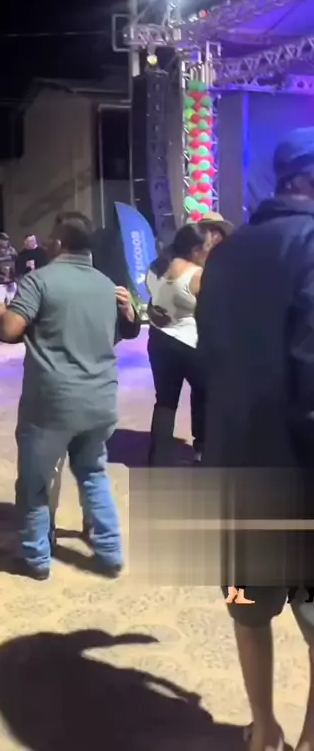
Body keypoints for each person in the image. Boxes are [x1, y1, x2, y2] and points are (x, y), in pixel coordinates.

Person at [196, 129, 314, 751]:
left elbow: (211, 362)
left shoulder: (225, 255)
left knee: (246, 606)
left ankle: (263, 728)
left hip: (235, 475)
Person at [0, 211, 140, 581]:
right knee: (93, 472)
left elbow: (9, 331)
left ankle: (36, 557)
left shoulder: (39, 280)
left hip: (52, 402)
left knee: (35, 481)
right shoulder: (108, 286)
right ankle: (110, 550)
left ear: (59, 243)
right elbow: (115, 335)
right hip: (100, 398)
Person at [146, 223, 214, 466]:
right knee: (205, 394)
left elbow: (153, 303)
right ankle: (202, 451)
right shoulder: (197, 275)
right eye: (207, 246)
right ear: (195, 249)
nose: (210, 251)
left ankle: (158, 460)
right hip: (190, 344)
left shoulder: (157, 267)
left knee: (165, 402)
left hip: (159, 341)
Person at [0, 233, 17, 303]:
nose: (5, 242)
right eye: (3, 240)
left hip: (11, 280)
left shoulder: (12, 250)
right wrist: (0, 269)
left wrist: (12, 270)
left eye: (6, 240)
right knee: (0, 302)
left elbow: (17, 263)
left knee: (12, 300)